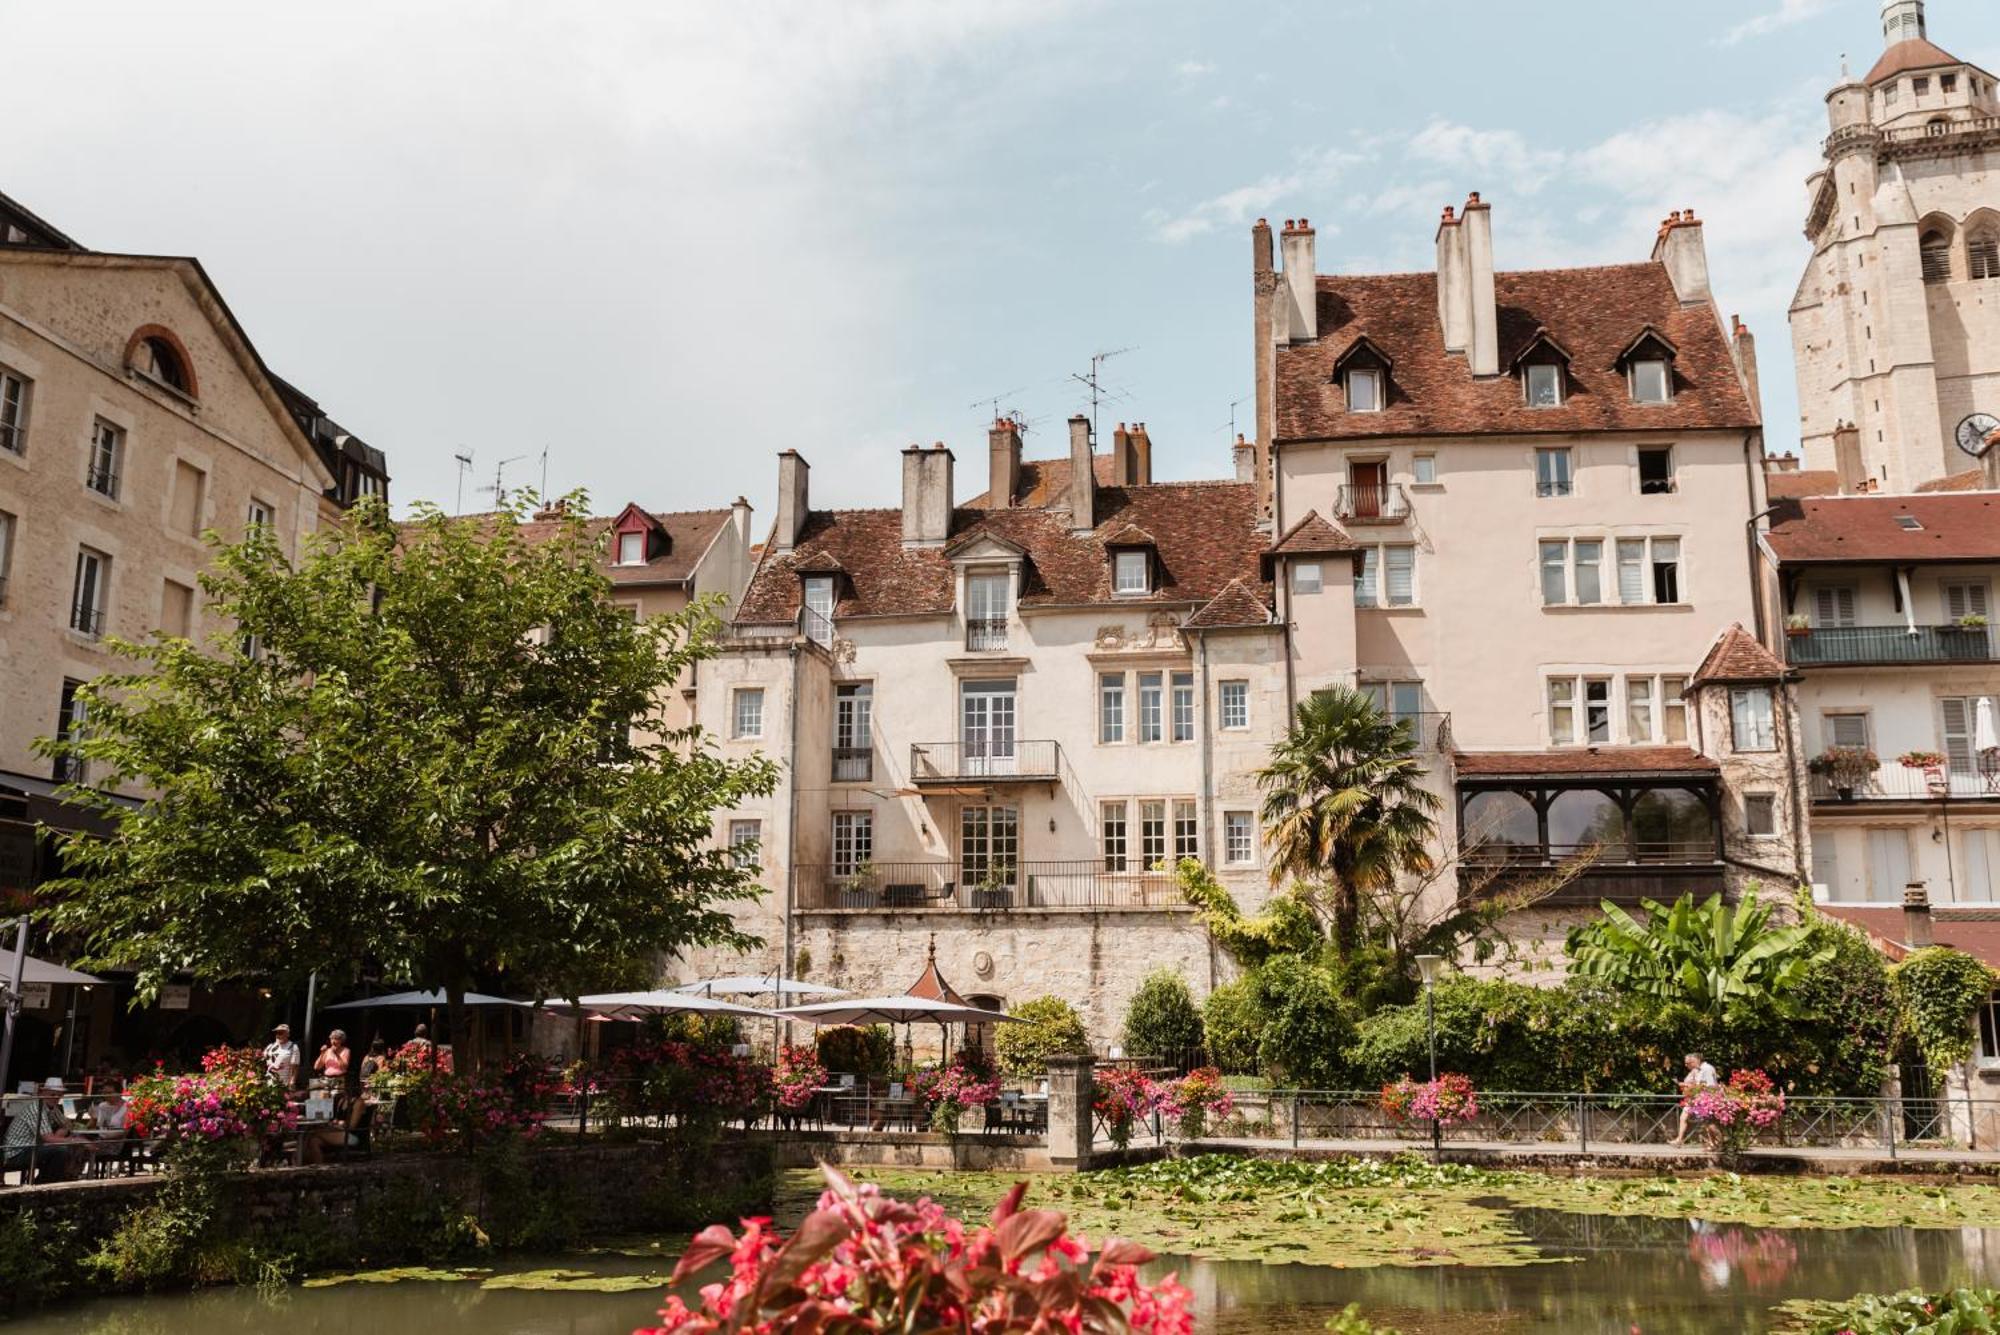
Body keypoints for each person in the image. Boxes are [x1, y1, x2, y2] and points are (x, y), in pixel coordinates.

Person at [3, 1078, 83, 1182]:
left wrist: (61, 1133)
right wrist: (73, 1140)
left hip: (32, 1147)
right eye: (53, 1095)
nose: (56, 1098)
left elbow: (67, 1124)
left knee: (70, 1149)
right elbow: (48, 1138)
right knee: (60, 1150)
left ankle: (63, 1178)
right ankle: (45, 1184)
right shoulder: (36, 1108)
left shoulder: (52, 1108)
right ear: (43, 1093)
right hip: (17, 1152)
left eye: (59, 1095)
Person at [1668, 1052, 1720, 1146]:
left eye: (1691, 1062)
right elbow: (1699, 1084)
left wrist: (1694, 1089)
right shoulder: (1700, 1069)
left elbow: (1710, 1086)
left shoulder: (1706, 1069)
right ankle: (1714, 1143)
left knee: (1708, 1123)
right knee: (1703, 1122)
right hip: (1698, 1099)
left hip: (1705, 1100)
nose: (1689, 1064)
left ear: (1697, 1060)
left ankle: (1720, 1142)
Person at [263, 1023, 302, 1088]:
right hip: (268, 1083)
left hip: (283, 1084)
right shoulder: (270, 1046)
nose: (278, 1035)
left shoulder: (293, 1047)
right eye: (277, 1033)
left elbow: (295, 1068)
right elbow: (262, 1061)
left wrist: (292, 1083)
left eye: (281, 1033)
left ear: (288, 1034)